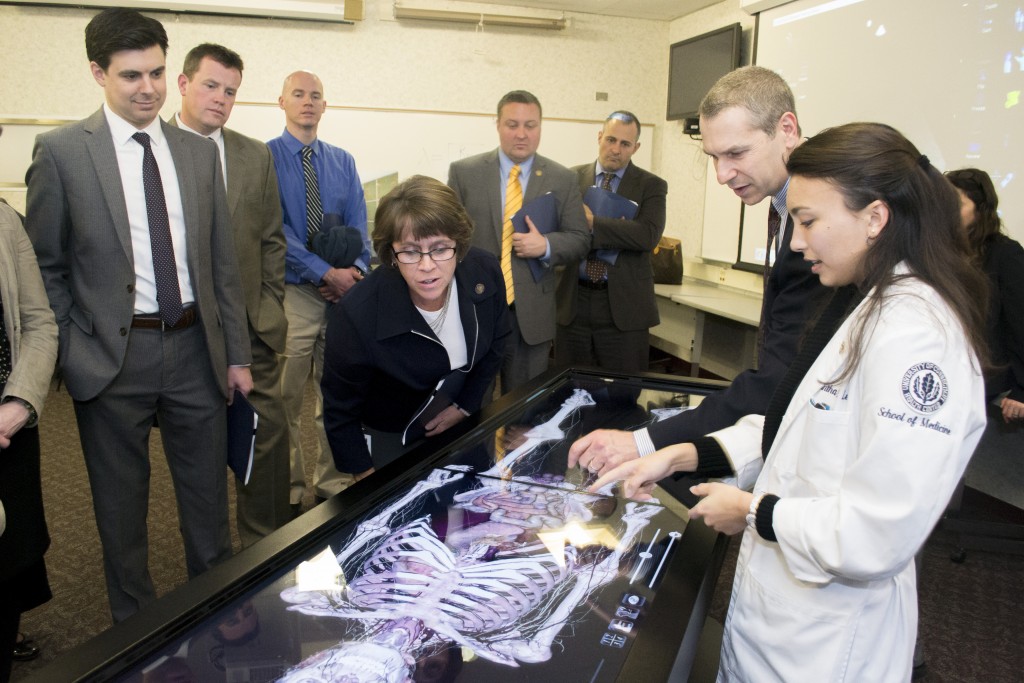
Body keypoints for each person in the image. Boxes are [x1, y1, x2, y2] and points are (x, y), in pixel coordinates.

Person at [590, 123, 990, 681]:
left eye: (809, 221)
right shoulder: (864, 303)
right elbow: (799, 425)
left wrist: (753, 510)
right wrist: (679, 455)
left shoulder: (917, 337)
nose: (797, 244)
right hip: (778, 621)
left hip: (827, 644)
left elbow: (878, 532)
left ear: (875, 218)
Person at [25, 8, 252, 623]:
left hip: (193, 352)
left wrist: (235, 353)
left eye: (156, 73)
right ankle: (137, 632)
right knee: (120, 514)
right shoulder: (63, 153)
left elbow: (220, 265)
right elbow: (45, 265)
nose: (147, 88)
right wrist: (74, 347)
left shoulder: (199, 154)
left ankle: (218, 616)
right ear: (98, 72)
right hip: (110, 359)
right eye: (130, 76)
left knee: (208, 504)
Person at [568, 67, 827, 476]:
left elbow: (779, 377)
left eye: (736, 154)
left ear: (787, 129)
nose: (722, 175)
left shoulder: (821, 219)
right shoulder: (791, 203)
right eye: (714, 157)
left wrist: (645, 441)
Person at [173, 43, 291, 547]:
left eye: (231, 91)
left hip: (251, 326)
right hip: (185, 335)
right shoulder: (153, 150)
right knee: (200, 449)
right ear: (182, 84)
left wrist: (269, 305)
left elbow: (271, 240)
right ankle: (213, 563)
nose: (220, 99)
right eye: (210, 86)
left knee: (268, 439)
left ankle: (263, 547)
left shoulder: (253, 154)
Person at [322, 176, 511, 479]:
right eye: (410, 251)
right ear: (391, 254)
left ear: (459, 245)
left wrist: (466, 404)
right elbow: (339, 410)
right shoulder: (357, 314)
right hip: (391, 433)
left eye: (439, 248)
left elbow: (498, 338)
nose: (426, 266)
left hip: (460, 423)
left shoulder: (484, 271)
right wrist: (367, 483)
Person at [267, 70, 368, 512]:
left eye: (316, 96)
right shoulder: (264, 158)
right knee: (284, 399)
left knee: (339, 394)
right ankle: (288, 489)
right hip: (293, 295)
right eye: (298, 94)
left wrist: (354, 273)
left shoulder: (343, 161)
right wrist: (325, 271)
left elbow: (361, 223)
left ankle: (332, 481)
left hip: (342, 299)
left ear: (324, 106)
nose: (308, 102)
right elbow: (274, 230)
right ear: (282, 102)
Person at [448, 90, 589, 393]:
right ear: (497, 124)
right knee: (469, 409)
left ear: (541, 127)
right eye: (512, 124)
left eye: (531, 125)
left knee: (523, 414)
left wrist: (547, 246)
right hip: (475, 309)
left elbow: (580, 239)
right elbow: (447, 237)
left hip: (531, 317)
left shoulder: (562, 179)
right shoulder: (464, 173)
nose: (522, 134)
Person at [555, 110, 668, 373]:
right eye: (611, 140)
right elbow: (560, 232)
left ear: (636, 147)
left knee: (623, 394)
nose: (615, 149)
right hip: (573, 302)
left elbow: (646, 235)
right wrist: (620, 229)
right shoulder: (569, 180)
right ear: (599, 137)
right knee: (568, 391)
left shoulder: (652, 186)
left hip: (624, 307)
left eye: (625, 144)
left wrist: (593, 223)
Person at [0, 193, 58, 683]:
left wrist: (20, 403)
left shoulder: (4, 218)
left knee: (9, 567)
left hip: (8, 428)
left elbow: (39, 321)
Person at [946, 168, 1024, 423]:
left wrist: (1022, 389)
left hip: (987, 387)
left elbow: (1019, 322)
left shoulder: (1005, 254)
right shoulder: (941, 254)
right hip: (944, 377)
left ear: (980, 208)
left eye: (956, 203)